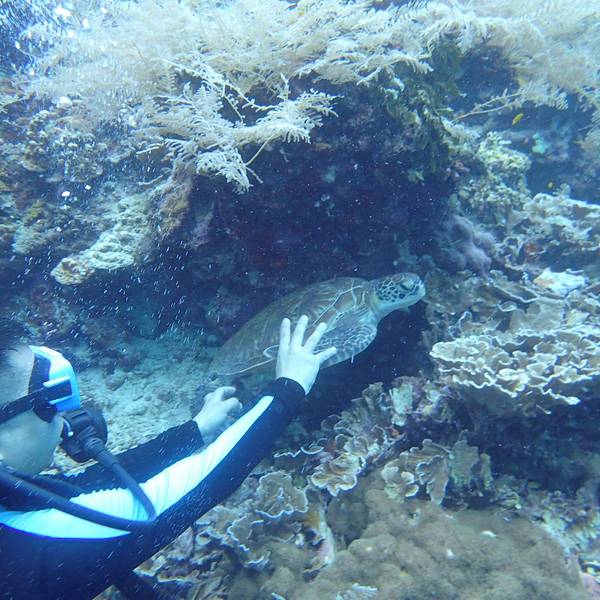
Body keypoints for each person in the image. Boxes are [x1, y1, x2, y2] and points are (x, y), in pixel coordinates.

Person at [0, 315, 336, 600]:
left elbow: (83, 488)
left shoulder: (10, 497)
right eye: (48, 407)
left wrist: (193, 432)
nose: (64, 421)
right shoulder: (27, 547)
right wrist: (290, 388)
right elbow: (198, 484)